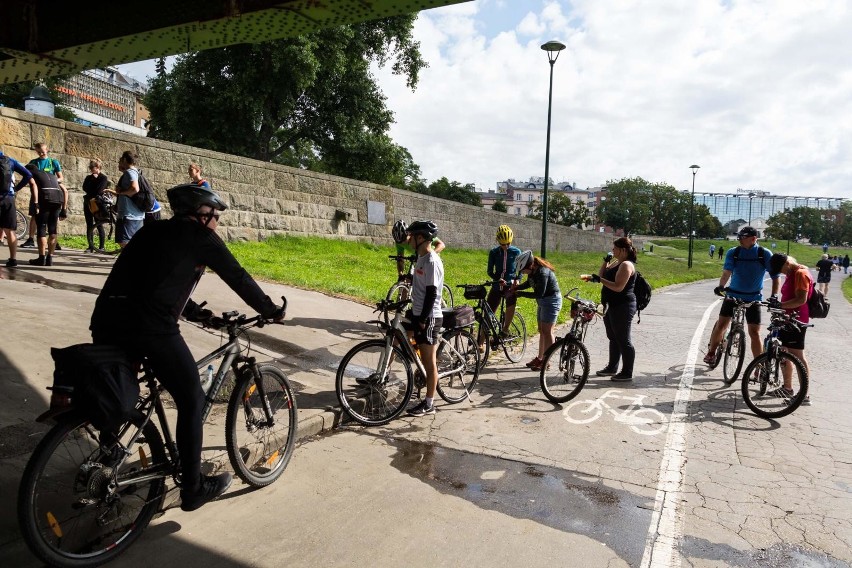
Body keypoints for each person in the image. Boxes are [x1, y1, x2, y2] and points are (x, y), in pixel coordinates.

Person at [89, 183, 285, 511]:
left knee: (121, 393)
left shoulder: (152, 232)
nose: (217, 223)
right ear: (203, 214)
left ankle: (107, 464)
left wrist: (199, 314)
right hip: (151, 328)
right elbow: (237, 277)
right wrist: (270, 309)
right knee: (192, 398)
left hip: (107, 318)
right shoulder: (202, 238)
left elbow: (155, 281)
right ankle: (194, 489)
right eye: (216, 216)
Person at [704, 226, 779, 366]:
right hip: (733, 294)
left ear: (753, 239)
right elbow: (727, 272)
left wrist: (774, 295)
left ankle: (759, 367)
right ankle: (711, 353)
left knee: (754, 333)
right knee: (722, 325)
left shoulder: (764, 254)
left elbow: (775, 277)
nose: (739, 240)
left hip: (754, 297)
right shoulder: (734, 252)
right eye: (739, 237)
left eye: (742, 238)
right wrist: (721, 286)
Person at [404, 220, 444, 418]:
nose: (408, 239)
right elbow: (420, 282)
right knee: (399, 337)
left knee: (430, 363)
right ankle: (383, 375)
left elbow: (431, 293)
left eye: (412, 235)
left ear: (421, 238)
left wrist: (422, 320)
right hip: (418, 311)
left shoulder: (432, 261)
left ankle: (429, 403)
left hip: (429, 317)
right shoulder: (421, 257)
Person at [592, 237, 639, 382]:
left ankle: (627, 372)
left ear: (623, 250)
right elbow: (601, 275)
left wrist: (600, 280)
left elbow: (618, 287)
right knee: (613, 337)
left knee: (623, 339)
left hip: (623, 306)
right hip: (610, 305)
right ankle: (612, 367)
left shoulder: (626, 265)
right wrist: (606, 260)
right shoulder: (616, 262)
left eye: (614, 248)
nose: (612, 250)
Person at [767, 253, 812, 405]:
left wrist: (780, 305)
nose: (782, 273)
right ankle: (787, 388)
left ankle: (804, 395)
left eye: (781, 269)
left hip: (797, 320)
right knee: (784, 352)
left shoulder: (800, 273)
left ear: (787, 263)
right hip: (788, 318)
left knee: (798, 356)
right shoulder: (792, 273)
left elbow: (801, 299)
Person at [513, 250, 561, 371]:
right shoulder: (533, 271)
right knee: (541, 330)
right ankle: (540, 358)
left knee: (547, 331)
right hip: (542, 302)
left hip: (551, 301)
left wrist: (521, 294)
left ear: (530, 265)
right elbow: (529, 283)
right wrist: (517, 287)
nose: (522, 273)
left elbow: (540, 293)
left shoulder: (543, 272)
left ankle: (546, 361)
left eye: (523, 270)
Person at [21, 143, 65, 250]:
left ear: (47, 150)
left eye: (43, 151)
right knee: (35, 215)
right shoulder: (33, 163)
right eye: (38, 152)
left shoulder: (53, 162)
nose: (41, 153)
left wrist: (52, 181)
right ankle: (31, 239)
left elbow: (61, 178)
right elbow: (28, 176)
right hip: (38, 192)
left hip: (51, 192)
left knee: (53, 219)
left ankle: (54, 241)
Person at [1, 149, 37, 268]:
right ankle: (13, 259)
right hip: (8, 198)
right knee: (10, 231)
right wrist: (16, 188)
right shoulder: (10, 161)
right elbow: (28, 174)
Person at [25, 164, 67, 266]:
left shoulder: (31, 174)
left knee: (42, 228)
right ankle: (50, 258)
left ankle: (41, 258)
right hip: (58, 200)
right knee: (53, 229)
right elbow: (65, 191)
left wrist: (35, 204)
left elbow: (33, 186)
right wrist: (64, 209)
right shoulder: (52, 175)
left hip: (45, 199)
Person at [486, 224, 521, 341]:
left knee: (511, 303)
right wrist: (497, 279)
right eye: (502, 244)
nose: (505, 246)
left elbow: (520, 269)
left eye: (508, 244)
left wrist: (517, 280)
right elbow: (490, 271)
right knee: (488, 312)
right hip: (497, 285)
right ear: (498, 241)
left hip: (510, 285)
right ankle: (480, 342)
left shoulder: (516, 252)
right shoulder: (494, 252)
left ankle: (505, 329)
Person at [114, 150, 146, 248]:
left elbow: (135, 189)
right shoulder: (136, 171)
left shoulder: (130, 172)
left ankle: (133, 262)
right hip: (136, 215)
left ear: (124, 159)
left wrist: (121, 192)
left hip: (128, 215)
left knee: (124, 242)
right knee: (130, 242)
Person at [82, 159, 110, 253]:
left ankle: (101, 246)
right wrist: (92, 181)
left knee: (99, 224)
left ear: (97, 167)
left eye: (92, 167)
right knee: (89, 224)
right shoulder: (88, 178)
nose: (90, 169)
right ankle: (90, 246)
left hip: (97, 203)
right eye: (89, 167)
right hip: (88, 202)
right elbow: (85, 188)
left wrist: (94, 181)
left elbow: (99, 191)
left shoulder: (103, 178)